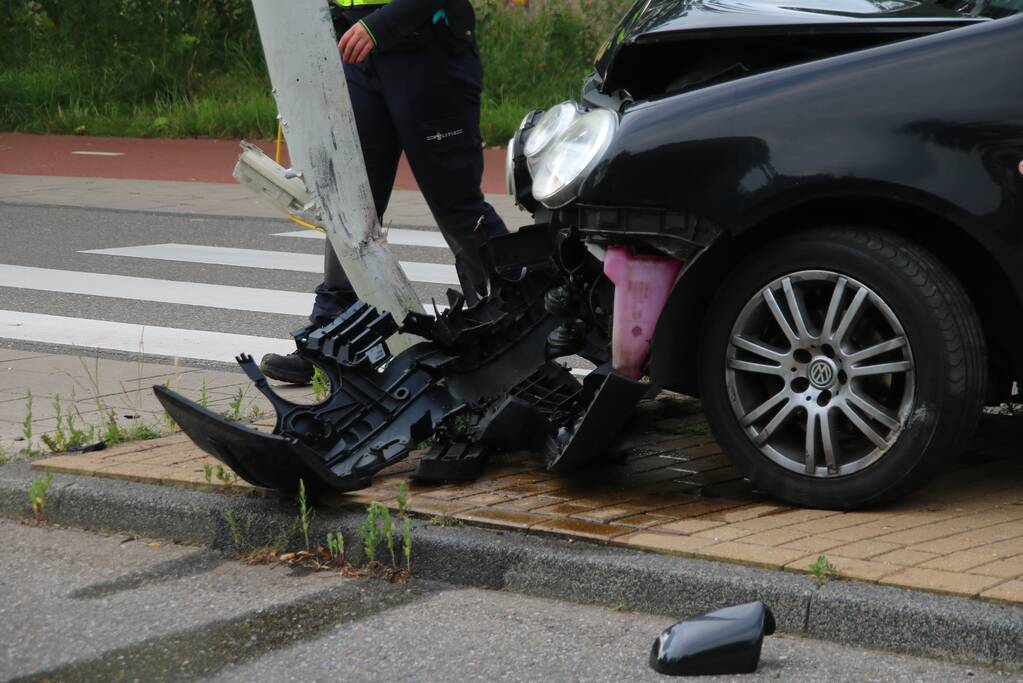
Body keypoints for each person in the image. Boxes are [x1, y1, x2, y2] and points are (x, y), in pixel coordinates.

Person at [261, 0, 508, 384]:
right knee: (349, 205)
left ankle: (517, 318)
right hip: (356, 51)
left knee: (457, 208)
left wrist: (382, 23)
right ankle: (332, 336)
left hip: (427, 52)